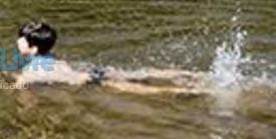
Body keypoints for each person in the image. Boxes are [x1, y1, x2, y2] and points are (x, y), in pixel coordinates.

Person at [12, 21, 206, 94]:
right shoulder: (48, 56)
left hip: (87, 80)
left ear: (33, 48)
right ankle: (192, 75)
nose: (17, 42)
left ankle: (181, 90)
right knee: (138, 73)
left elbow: (22, 93)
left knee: (133, 89)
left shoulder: (29, 72)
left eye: (20, 40)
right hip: (90, 71)